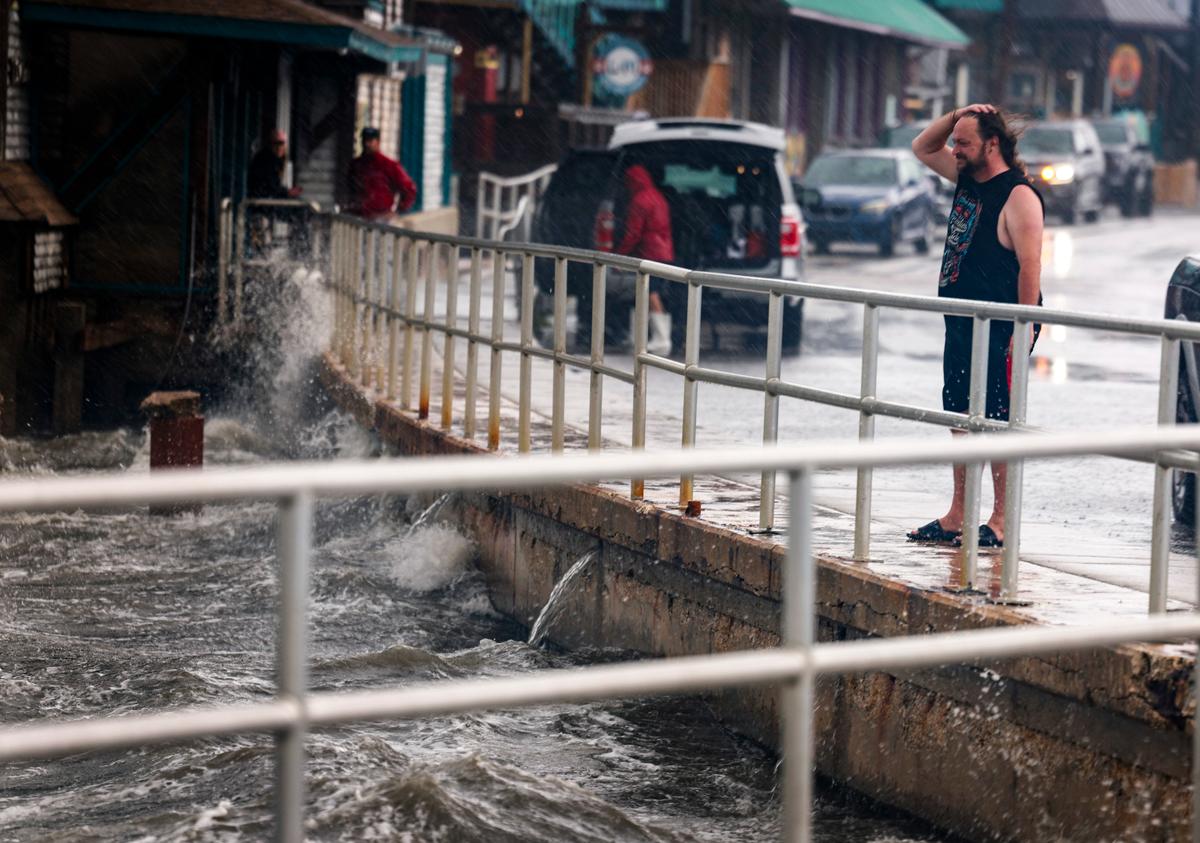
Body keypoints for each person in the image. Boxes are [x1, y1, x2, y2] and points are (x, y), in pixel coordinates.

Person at [906, 104, 1045, 549]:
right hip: (963, 316)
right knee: (960, 413)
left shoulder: (1018, 195)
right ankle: (959, 515)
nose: (955, 149)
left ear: (992, 144)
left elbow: (1031, 267)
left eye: (964, 142)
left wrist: (1022, 328)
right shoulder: (967, 177)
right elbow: (922, 146)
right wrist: (956, 115)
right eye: (957, 141)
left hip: (1003, 320)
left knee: (997, 416)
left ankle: (1001, 519)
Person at [615, 164, 674, 355]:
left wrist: (620, 255)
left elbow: (633, 233)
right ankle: (650, 337)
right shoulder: (658, 197)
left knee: (650, 292)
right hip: (665, 250)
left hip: (651, 252)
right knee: (651, 291)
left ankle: (661, 339)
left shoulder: (640, 200)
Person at [348, 126, 416, 220]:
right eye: (364, 140)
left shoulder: (389, 165)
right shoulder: (356, 165)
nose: (367, 144)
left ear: (378, 142)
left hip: (381, 218)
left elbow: (409, 189)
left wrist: (398, 211)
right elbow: (349, 188)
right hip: (358, 217)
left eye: (371, 141)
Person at [248, 130, 302, 200]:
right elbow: (270, 186)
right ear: (270, 144)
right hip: (262, 201)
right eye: (275, 144)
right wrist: (287, 192)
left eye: (281, 143)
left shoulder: (277, 159)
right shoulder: (265, 160)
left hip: (268, 199)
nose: (279, 147)